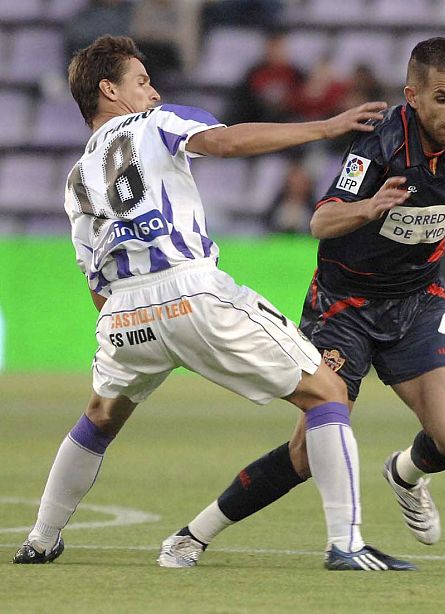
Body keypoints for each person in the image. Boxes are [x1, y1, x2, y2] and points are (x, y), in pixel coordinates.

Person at [156, 36, 445, 567]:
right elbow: (320, 220)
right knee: (305, 455)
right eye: (444, 99)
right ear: (413, 96)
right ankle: (192, 535)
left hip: (417, 302)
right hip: (343, 309)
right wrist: (372, 207)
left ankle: (405, 473)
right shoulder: (378, 148)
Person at [11, 35, 414, 572]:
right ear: (109, 89)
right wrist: (326, 126)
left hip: (123, 312)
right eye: (141, 80)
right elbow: (223, 143)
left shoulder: (78, 177)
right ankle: (346, 543)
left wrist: (134, 328)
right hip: (189, 288)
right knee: (327, 393)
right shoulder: (158, 122)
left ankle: (41, 537)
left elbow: (94, 278)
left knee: (99, 416)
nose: (153, 91)